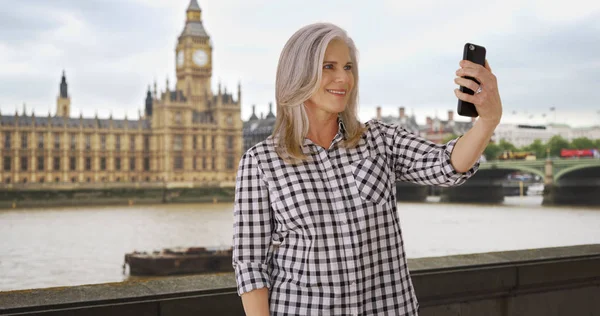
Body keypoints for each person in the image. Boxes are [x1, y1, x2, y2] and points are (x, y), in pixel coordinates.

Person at [232, 22, 502, 316]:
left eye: (348, 67)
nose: (343, 78)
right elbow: (250, 264)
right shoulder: (261, 161)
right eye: (328, 66)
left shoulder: (380, 140)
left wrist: (487, 121)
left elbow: (445, 165)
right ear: (298, 74)